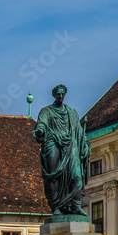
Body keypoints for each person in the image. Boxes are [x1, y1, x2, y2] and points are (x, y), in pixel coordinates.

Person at [33, 85, 90, 216]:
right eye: (58, 94)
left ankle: (75, 205)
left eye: (62, 94)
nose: (60, 96)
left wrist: (85, 144)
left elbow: (80, 132)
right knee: (52, 175)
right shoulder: (46, 111)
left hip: (71, 144)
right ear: (54, 95)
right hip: (53, 140)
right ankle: (56, 206)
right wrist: (41, 130)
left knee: (76, 175)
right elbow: (41, 123)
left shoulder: (72, 112)